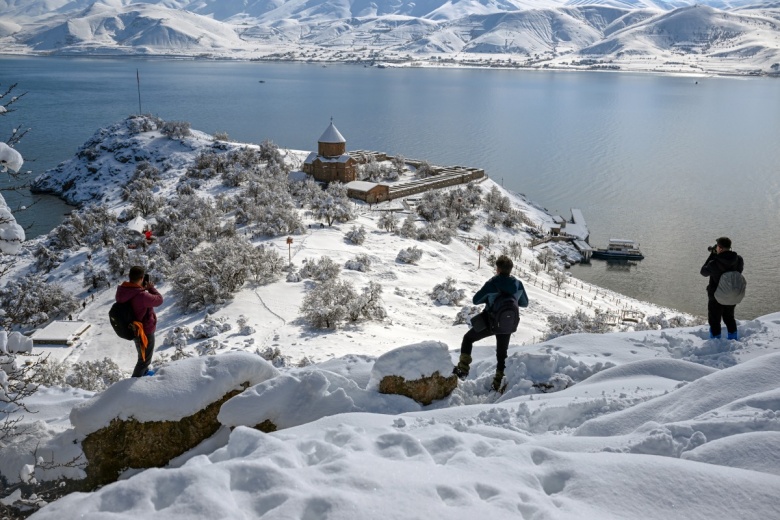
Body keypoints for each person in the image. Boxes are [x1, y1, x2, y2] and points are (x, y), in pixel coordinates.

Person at [453, 255, 529, 391]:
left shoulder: (493, 283)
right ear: (510, 270)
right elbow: (524, 303)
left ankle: (463, 370)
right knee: (502, 353)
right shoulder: (518, 284)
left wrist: (490, 296)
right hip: (507, 323)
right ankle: (498, 382)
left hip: (489, 322)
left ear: (498, 269)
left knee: (468, 339)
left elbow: (476, 300)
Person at [115, 266, 164, 377]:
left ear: (129, 277)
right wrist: (151, 288)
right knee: (144, 360)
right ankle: (135, 385)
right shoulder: (141, 295)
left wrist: (141, 289)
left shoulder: (124, 291)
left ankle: (144, 373)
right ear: (142, 278)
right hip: (144, 331)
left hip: (134, 328)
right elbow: (159, 300)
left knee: (142, 356)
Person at [700, 236, 743, 340]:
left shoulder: (715, 263)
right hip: (731, 295)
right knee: (729, 318)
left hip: (715, 296)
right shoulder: (738, 259)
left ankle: (715, 341)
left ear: (720, 248)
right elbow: (739, 271)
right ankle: (733, 339)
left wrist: (712, 255)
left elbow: (703, 272)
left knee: (714, 320)